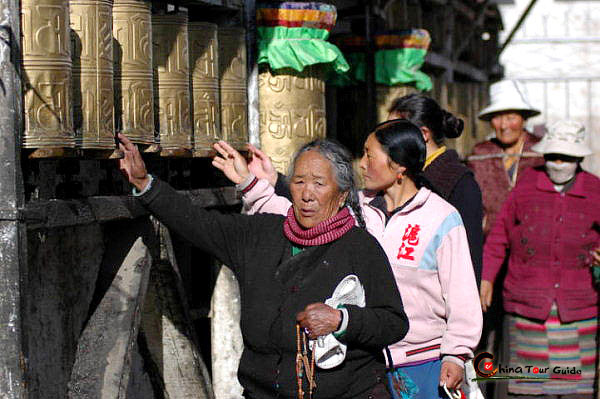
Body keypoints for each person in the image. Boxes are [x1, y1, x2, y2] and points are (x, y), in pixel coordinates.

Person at [117, 133, 409, 399]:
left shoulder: (360, 247)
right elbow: (199, 224)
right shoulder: (260, 234)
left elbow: (394, 322)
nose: (307, 194)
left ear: (342, 193)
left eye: (319, 184)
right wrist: (146, 184)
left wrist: (342, 320)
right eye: (299, 182)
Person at [212, 119, 482, 399]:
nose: (361, 164)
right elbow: (292, 217)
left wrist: (456, 353)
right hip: (362, 360)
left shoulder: (441, 218)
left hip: (421, 362)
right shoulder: (356, 210)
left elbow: (462, 294)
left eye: (370, 155)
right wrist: (253, 184)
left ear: (399, 165)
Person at [480, 120, 600, 398]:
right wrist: (487, 277)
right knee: (525, 385)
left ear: (578, 158)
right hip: (527, 308)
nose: (558, 163)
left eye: (566, 158)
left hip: (578, 310)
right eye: (553, 157)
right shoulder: (526, 186)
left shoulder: (595, 191)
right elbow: (499, 236)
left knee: (575, 389)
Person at [387, 94, 484, 286]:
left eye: (395, 131)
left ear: (423, 134)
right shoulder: (403, 175)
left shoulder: (460, 183)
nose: (388, 139)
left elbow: (468, 259)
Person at [467, 79, 544, 235]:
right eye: (497, 118)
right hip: (489, 241)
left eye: (511, 118)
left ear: (524, 118)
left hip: (534, 238)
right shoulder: (481, 154)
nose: (503, 126)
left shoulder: (540, 152)